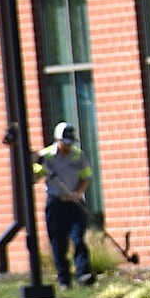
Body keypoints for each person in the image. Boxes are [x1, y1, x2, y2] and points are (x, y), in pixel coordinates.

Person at [35, 122, 94, 288]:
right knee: (58, 242)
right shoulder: (46, 156)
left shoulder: (78, 155)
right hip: (55, 203)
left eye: (70, 143)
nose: (68, 146)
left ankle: (83, 274)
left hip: (74, 202)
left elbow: (86, 177)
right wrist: (35, 163)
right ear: (57, 140)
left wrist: (78, 192)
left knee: (78, 237)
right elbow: (34, 177)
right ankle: (64, 280)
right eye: (65, 143)